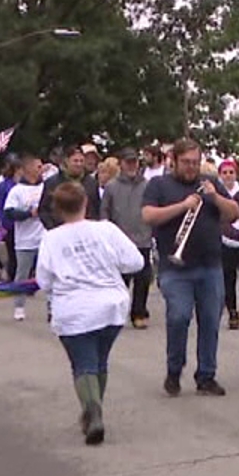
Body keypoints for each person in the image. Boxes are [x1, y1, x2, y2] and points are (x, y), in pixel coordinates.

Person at [36, 182, 144, 445]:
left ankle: (93, 410)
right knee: (99, 361)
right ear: (85, 203)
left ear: (58, 210)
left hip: (74, 309)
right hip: (110, 305)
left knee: (83, 364)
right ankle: (94, 408)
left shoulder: (51, 239)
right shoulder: (105, 230)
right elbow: (136, 262)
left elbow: (44, 280)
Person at [141, 139, 239, 396]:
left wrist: (215, 197)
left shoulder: (210, 183)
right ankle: (174, 370)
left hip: (210, 265)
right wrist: (182, 207)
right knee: (179, 317)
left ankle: (206, 375)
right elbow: (148, 216)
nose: (191, 167)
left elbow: (234, 212)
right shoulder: (159, 185)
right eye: (186, 162)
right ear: (173, 160)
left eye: (195, 162)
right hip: (175, 267)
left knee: (210, 321)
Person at [98, 149, 156, 328]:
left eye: (135, 162)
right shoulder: (111, 186)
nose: (132, 165)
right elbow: (104, 211)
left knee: (143, 279)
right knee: (120, 280)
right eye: (128, 162)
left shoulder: (147, 185)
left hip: (143, 238)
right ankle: (118, 313)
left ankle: (139, 312)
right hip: (119, 241)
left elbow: (153, 208)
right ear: (121, 164)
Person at [2, 154, 47, 321]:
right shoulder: (17, 190)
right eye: (38, 166)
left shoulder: (46, 188)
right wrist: (29, 213)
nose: (41, 170)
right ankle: (19, 307)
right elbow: (9, 212)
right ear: (28, 169)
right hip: (25, 241)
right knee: (22, 274)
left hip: (44, 238)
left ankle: (52, 307)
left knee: (49, 273)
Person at [216, 158, 239, 330]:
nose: (228, 176)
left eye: (231, 172)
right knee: (228, 278)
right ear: (220, 175)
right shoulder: (218, 193)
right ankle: (232, 311)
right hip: (225, 241)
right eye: (224, 172)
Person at [42, 145, 103, 227]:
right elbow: (43, 210)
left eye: (81, 161)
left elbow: (97, 208)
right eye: (75, 161)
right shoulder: (52, 182)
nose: (79, 164)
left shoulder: (92, 183)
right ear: (67, 161)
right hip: (60, 230)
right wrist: (52, 226)